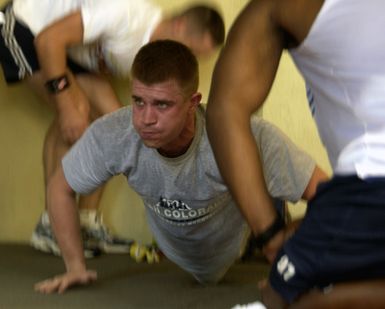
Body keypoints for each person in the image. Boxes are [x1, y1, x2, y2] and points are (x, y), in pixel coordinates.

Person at [34, 40, 327, 294]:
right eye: (138, 101)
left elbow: (329, 194)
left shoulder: (245, 137)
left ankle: (267, 216)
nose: (146, 119)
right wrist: (74, 266)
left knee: (265, 193)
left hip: (235, 239)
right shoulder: (115, 133)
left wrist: (307, 256)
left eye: (162, 105)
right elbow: (60, 187)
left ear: (193, 102)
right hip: (178, 249)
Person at [0, 0, 225, 258]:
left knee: (117, 129)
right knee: (75, 111)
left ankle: (85, 222)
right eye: (191, 50)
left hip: (65, 51)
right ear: (180, 25)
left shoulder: (150, 55)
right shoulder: (126, 15)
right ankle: (51, 225)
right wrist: (66, 106)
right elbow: (48, 41)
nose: (189, 60)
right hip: (24, 26)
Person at [206, 0, 385, 307]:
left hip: (372, 178)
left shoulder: (281, 6)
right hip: (366, 191)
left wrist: (271, 235)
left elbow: (225, 110)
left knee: (280, 296)